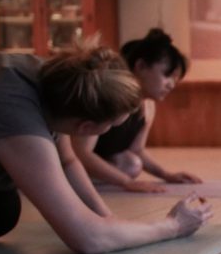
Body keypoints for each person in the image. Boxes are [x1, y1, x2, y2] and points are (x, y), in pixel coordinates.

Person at [0, 41, 212, 253]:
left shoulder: (54, 79)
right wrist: (173, 226)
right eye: (112, 125)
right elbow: (87, 238)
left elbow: (68, 161)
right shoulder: (15, 115)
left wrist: (108, 219)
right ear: (86, 128)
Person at [71, 28, 201, 193]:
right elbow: (81, 153)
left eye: (175, 79)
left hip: (99, 164)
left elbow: (136, 149)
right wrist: (126, 182)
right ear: (140, 66)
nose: (171, 84)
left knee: (131, 163)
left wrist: (166, 175)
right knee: (128, 166)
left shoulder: (148, 106)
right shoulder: (108, 95)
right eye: (167, 75)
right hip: (68, 162)